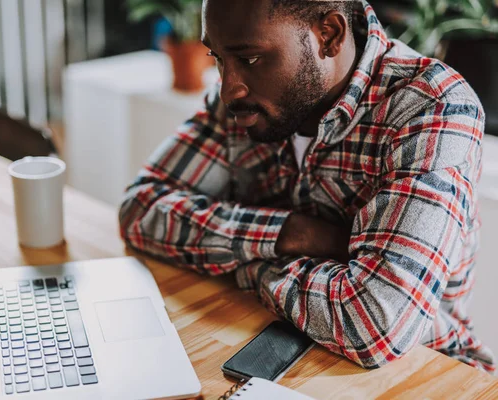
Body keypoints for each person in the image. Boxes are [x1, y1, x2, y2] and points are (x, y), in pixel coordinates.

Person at [118, 0, 495, 373]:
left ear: (328, 35)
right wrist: (291, 233)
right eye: (217, 57)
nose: (228, 86)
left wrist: (248, 266)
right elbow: (140, 209)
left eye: (248, 59)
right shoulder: (244, 100)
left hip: (429, 374)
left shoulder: (432, 107)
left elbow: (374, 325)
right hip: (274, 344)